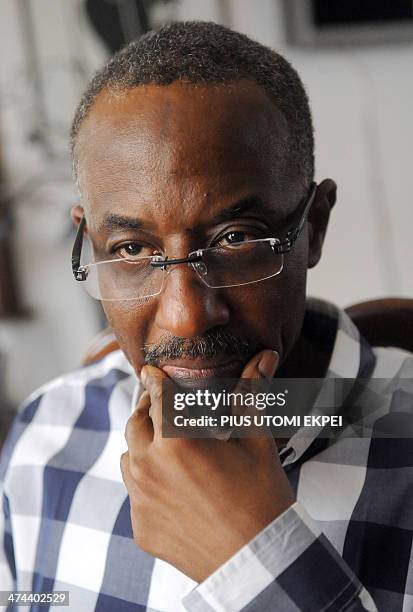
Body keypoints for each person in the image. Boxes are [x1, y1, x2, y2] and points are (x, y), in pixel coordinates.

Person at [1, 21, 412, 612]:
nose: (187, 316)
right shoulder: (48, 434)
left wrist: (251, 555)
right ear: (92, 246)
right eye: (132, 250)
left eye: (235, 238)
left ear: (313, 227)